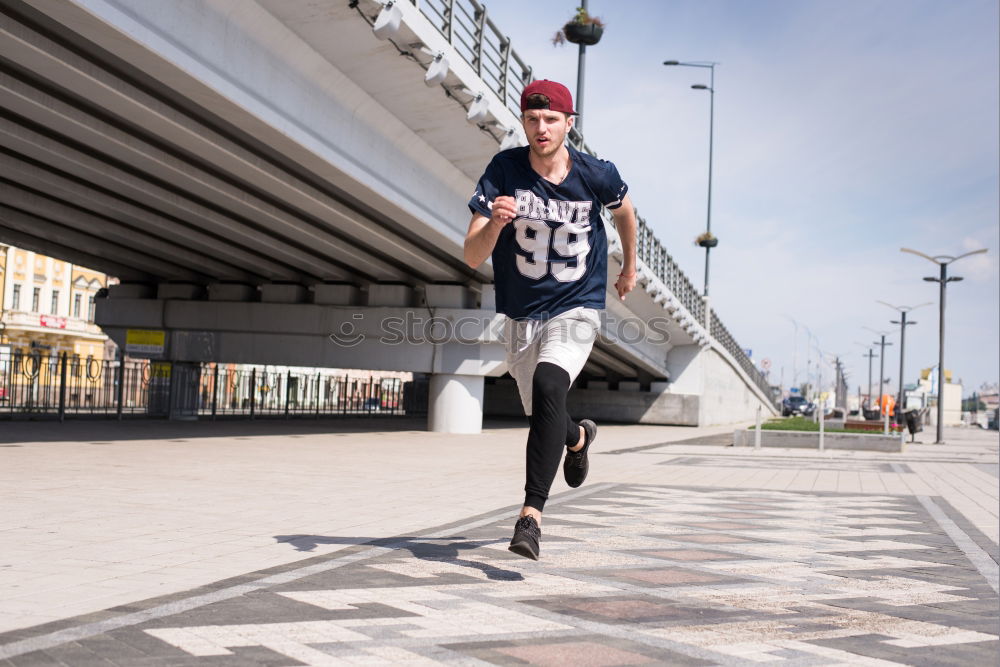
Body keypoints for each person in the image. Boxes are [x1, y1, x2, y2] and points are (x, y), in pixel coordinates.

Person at [464, 79, 638, 560]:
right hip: (522, 313)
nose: (541, 128)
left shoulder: (595, 174)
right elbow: (470, 254)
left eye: (551, 120)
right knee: (544, 409)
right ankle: (578, 438)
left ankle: (530, 519)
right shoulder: (504, 170)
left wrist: (629, 268)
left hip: (578, 304)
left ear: (568, 123)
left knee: (548, 385)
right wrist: (495, 224)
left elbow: (627, 214)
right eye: (532, 119)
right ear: (523, 122)